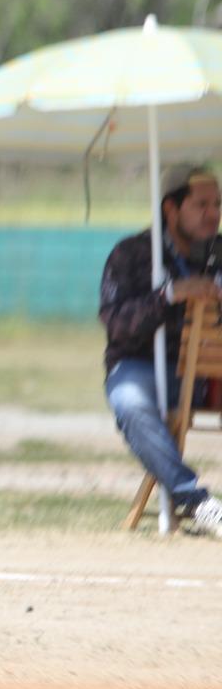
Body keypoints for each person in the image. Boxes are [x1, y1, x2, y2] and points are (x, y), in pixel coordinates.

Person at [100, 163, 222, 537]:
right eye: (201, 204)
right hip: (147, 368)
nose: (213, 214)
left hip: (210, 372)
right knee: (129, 402)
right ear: (171, 209)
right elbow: (116, 324)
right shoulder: (132, 254)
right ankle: (195, 500)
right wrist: (169, 295)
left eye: (217, 204)